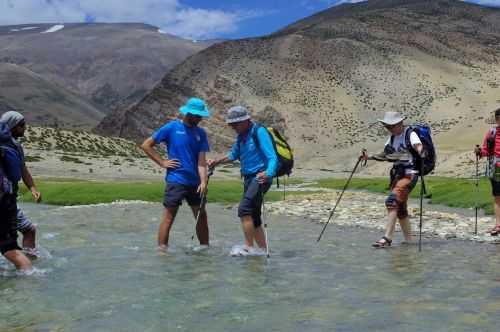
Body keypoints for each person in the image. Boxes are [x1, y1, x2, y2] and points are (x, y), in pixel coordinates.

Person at [141, 97, 210, 251]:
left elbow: (201, 161)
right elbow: (146, 145)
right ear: (189, 113)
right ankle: (162, 250)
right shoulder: (171, 128)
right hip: (176, 180)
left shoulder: (201, 133)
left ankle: (205, 249)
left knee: (201, 216)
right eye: (198, 116)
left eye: (201, 116)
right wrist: (162, 162)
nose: (200, 119)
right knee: (169, 216)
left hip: (195, 182)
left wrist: (203, 182)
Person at [208, 106, 278, 255]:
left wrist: (268, 173)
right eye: (231, 125)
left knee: (244, 209)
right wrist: (217, 162)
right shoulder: (241, 136)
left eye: (235, 124)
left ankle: (248, 247)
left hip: (260, 177)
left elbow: (272, 157)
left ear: (246, 120)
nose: (233, 127)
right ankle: (262, 250)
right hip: (248, 178)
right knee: (254, 215)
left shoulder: (259, 132)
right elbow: (233, 155)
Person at [361, 111, 423, 248]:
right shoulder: (392, 138)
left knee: (392, 201)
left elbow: (418, 145)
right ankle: (409, 242)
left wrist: (421, 151)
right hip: (397, 175)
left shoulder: (410, 134)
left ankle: (387, 237)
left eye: (391, 126)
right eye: (387, 126)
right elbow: (385, 155)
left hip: (410, 174)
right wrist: (368, 157)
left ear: (400, 123)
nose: (389, 129)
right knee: (400, 208)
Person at [0, 111, 40, 271]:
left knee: (29, 229)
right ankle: (27, 272)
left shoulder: (16, 147)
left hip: (9, 201)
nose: (25, 128)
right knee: (8, 248)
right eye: (21, 125)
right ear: (11, 126)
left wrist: (33, 188)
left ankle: (28, 263)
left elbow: (23, 170)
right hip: (4, 202)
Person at [475, 108, 500, 236]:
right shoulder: (491, 132)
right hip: (495, 168)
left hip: (495, 167)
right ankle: (498, 225)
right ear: (496, 119)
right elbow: (485, 151)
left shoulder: (491, 132)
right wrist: (479, 152)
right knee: (497, 197)